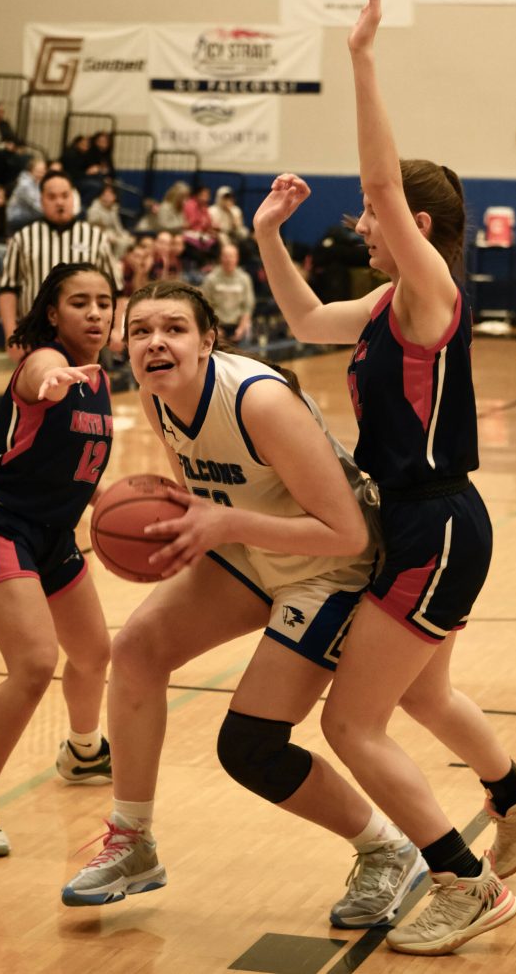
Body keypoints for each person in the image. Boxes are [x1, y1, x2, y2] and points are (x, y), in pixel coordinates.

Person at [251, 0, 516, 956]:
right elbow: (303, 320)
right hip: (416, 523)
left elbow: (384, 184)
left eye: (375, 217)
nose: (361, 223)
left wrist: (358, 56)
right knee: (422, 696)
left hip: (433, 523)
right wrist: (266, 234)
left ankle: (464, 882)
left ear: (416, 228)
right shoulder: (384, 306)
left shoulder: (430, 292)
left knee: (353, 726)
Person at [61, 280, 428, 926]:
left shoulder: (258, 400)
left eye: (173, 328)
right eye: (140, 330)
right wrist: (177, 534)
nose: (154, 341)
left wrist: (223, 526)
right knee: (138, 648)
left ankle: (389, 848)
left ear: (207, 340)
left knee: (249, 745)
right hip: (254, 551)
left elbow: (350, 533)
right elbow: (202, 493)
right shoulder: (157, 396)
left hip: (332, 570)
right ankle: (133, 840)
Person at [0, 261, 117, 856]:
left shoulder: (98, 379)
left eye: (104, 302)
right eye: (80, 303)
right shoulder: (44, 365)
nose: (95, 313)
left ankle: (84, 750)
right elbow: (42, 376)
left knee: (94, 653)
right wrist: (50, 380)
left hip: (53, 533)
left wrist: (115, 502)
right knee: (36, 663)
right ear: (52, 313)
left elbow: (74, 464)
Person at [0, 170, 119, 360]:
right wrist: (10, 335)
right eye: (52, 197)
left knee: (85, 388)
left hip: (85, 335)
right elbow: (8, 289)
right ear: (41, 200)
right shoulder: (23, 238)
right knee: (43, 387)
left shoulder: (96, 238)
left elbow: (116, 289)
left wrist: (118, 328)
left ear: (74, 197)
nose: (60, 202)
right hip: (36, 336)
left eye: (65, 195)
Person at [201, 242, 255, 344]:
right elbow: (205, 306)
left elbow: (247, 306)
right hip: (218, 326)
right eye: (225, 256)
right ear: (221, 258)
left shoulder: (244, 279)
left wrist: (241, 328)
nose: (228, 260)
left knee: (247, 333)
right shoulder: (211, 279)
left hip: (238, 325)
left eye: (231, 256)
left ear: (237, 258)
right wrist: (214, 328)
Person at [5, 156, 46, 233]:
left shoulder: (36, 182)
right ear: (31, 170)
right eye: (39, 171)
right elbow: (36, 206)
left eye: (43, 171)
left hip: (28, 216)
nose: (42, 174)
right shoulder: (25, 184)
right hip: (16, 218)